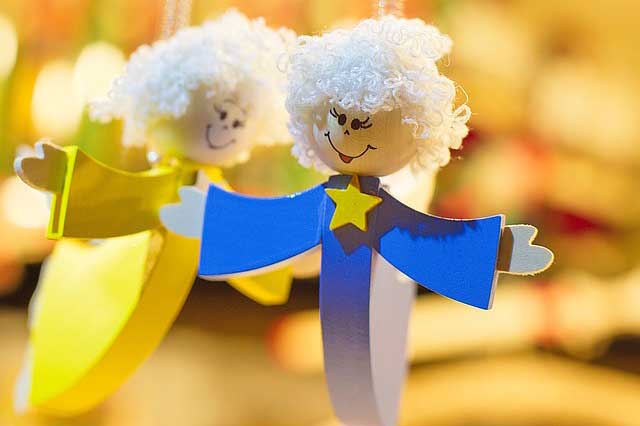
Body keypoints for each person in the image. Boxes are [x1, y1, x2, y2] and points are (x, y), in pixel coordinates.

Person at [162, 14, 554, 426]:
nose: (346, 136)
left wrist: (495, 252)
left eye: (363, 124)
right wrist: (208, 218)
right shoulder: (325, 204)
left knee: (364, 390)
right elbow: (273, 224)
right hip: (337, 332)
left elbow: (428, 243)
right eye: (338, 120)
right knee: (353, 392)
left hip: (370, 332)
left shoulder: (381, 210)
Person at [14, 10, 295, 415]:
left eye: (240, 118)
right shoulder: (171, 186)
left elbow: (258, 258)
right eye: (219, 113)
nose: (229, 126)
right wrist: (59, 176)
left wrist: (294, 251)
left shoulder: (211, 191)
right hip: (106, 284)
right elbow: (113, 192)